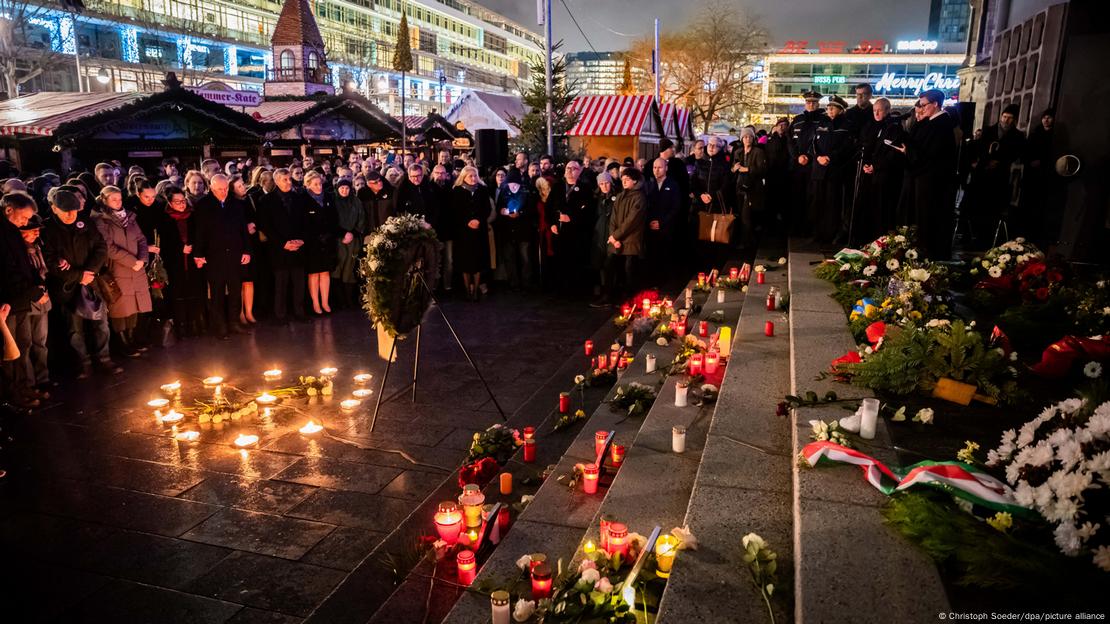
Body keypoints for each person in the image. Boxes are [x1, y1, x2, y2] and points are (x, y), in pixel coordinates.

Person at [40, 190, 120, 378]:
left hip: (91, 281)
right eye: (66, 211)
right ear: (54, 208)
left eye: (74, 211)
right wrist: (77, 276)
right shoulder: (48, 230)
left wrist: (89, 271)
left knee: (101, 323)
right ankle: (82, 362)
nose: (71, 215)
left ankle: (104, 358)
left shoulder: (86, 224)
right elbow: (50, 262)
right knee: (74, 329)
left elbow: (101, 248)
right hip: (68, 287)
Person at [892, 89, 959, 259]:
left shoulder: (942, 123)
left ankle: (927, 253)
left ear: (935, 104)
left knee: (927, 218)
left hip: (932, 181)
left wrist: (909, 151)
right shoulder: (931, 122)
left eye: (924, 105)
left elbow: (931, 154)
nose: (921, 109)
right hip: (922, 178)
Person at [1, 193, 48, 409]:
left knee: (23, 344)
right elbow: (8, 271)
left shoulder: (12, 232)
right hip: (7, 302)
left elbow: (25, 264)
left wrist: (37, 282)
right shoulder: (2, 234)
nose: (26, 223)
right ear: (9, 209)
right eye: (24, 217)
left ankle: (22, 386)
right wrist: (33, 291)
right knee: (9, 350)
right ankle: (11, 394)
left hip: (21, 300)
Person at [93, 185, 151, 358]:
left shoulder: (130, 217)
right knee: (120, 306)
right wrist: (132, 261)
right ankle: (122, 342)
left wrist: (142, 259)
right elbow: (108, 247)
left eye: (119, 199)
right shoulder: (102, 221)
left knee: (134, 304)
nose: (118, 202)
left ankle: (132, 338)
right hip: (118, 269)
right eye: (113, 199)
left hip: (137, 269)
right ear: (104, 200)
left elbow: (141, 239)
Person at [192, 174, 251, 339]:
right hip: (214, 256)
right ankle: (220, 326)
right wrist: (199, 254)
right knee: (217, 293)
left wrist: (247, 250)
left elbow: (243, 230)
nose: (223, 192)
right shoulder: (203, 205)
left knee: (235, 291)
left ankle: (234, 323)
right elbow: (199, 233)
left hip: (235, 254)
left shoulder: (237, 204)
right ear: (211, 188)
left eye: (225, 188)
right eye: (219, 189)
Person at [258, 168, 309, 323]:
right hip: (279, 249)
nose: (288, 182)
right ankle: (280, 314)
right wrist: (283, 244)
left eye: (289, 179)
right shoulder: (266, 201)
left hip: (298, 247)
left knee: (299, 283)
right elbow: (266, 226)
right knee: (281, 284)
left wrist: (301, 240)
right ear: (277, 181)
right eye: (285, 180)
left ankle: (299, 312)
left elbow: (306, 221)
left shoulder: (298, 198)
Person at [157, 187, 207, 338]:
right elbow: (164, 243)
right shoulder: (165, 218)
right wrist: (181, 248)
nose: (181, 204)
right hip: (175, 263)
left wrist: (198, 253)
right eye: (177, 201)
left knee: (194, 292)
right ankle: (181, 327)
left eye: (183, 200)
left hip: (192, 262)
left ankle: (194, 325)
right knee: (178, 295)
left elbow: (200, 236)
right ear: (170, 203)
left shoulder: (192, 215)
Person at [974, 103, 1026, 242]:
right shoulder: (989, 131)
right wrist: (986, 160)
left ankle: (990, 237)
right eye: (1004, 117)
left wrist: (1001, 161)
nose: (1005, 120)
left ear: (1014, 120)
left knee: (994, 207)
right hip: (984, 173)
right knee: (981, 205)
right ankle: (978, 235)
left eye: (1009, 118)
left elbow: (1016, 152)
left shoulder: (1018, 135)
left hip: (1001, 175)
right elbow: (979, 149)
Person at [810, 95, 856, 244]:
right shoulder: (821, 124)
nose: (829, 109)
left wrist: (829, 157)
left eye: (833, 107)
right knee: (818, 203)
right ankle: (818, 234)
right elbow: (813, 144)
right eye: (828, 107)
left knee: (832, 205)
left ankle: (831, 234)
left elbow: (846, 148)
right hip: (819, 171)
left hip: (834, 171)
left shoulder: (847, 125)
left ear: (841, 110)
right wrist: (818, 157)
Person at [859, 97, 906, 240]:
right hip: (871, 175)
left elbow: (892, 153)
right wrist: (866, 165)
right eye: (874, 110)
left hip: (887, 176)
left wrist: (875, 166)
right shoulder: (872, 127)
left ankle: (882, 239)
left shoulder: (894, 127)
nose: (876, 113)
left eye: (879, 110)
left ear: (887, 111)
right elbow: (867, 148)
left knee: (883, 209)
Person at [17, 214, 51, 394]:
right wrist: (36, 292)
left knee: (41, 341)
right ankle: (28, 382)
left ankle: (43, 377)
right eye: (33, 230)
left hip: (43, 298)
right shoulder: (17, 252)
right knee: (25, 343)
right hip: (27, 301)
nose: (37, 233)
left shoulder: (38, 247)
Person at [549, 160, 594, 293]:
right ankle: (560, 288)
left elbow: (589, 211)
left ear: (579, 171)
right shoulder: (557, 187)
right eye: (568, 168)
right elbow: (549, 207)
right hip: (559, 230)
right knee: (559, 261)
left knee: (575, 261)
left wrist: (572, 218)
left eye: (573, 168)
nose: (569, 171)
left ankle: (575, 289)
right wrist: (552, 223)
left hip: (576, 232)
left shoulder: (585, 188)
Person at [788, 91, 828, 236]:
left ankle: (811, 228)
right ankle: (796, 226)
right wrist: (797, 156)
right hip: (798, 165)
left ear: (818, 104)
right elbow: (790, 141)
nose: (811, 105)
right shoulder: (797, 120)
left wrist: (809, 156)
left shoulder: (823, 120)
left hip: (813, 166)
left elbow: (821, 142)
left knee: (813, 198)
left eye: (814, 102)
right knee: (797, 197)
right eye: (808, 102)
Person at [451, 166, 493, 301]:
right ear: (464, 177)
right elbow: (455, 210)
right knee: (465, 262)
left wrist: (478, 220)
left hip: (479, 231)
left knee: (478, 261)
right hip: (463, 232)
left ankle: (475, 289)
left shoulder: (483, 190)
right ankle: (466, 290)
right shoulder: (457, 191)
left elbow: (487, 208)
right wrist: (467, 221)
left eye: (475, 176)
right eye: (470, 176)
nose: (473, 178)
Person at [605, 168, 646, 302]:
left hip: (631, 240)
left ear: (635, 180)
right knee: (612, 267)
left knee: (629, 271)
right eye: (622, 179)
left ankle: (629, 299)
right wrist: (613, 236)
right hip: (617, 240)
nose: (624, 182)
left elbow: (631, 220)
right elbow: (613, 218)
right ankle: (611, 296)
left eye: (627, 179)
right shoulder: (621, 195)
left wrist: (615, 236)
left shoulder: (639, 197)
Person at [302, 171, 339, 315]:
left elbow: (334, 218)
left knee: (325, 273)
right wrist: (314, 237)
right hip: (312, 243)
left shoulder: (329, 198)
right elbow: (303, 223)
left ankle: (325, 302)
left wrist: (329, 234)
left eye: (320, 184)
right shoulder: (303, 200)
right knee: (314, 274)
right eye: (315, 184)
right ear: (308, 185)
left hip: (327, 241)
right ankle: (315, 303)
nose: (319, 187)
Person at [495, 168, 534, 290]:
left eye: (514, 184)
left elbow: (531, 209)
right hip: (508, 230)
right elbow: (499, 207)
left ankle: (526, 281)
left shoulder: (526, 191)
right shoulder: (504, 191)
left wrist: (520, 213)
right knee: (509, 257)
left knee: (525, 257)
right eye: (510, 184)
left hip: (523, 230)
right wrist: (503, 211)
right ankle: (513, 281)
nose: (512, 186)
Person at [644, 157, 683, 280]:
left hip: (666, 227)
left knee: (665, 255)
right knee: (651, 255)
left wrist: (662, 222)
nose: (656, 170)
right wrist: (650, 221)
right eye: (654, 168)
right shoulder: (648, 184)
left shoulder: (673, 184)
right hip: (650, 226)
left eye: (659, 167)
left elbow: (676, 207)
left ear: (666, 168)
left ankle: (666, 281)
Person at [731, 127, 768, 249]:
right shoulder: (738, 152)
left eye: (750, 137)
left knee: (746, 216)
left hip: (752, 188)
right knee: (741, 214)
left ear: (753, 138)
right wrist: (734, 169)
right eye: (745, 137)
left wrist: (747, 169)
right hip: (739, 186)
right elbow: (733, 168)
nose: (747, 139)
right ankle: (747, 240)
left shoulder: (758, 152)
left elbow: (763, 170)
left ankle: (746, 242)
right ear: (742, 139)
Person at [332, 178, 365, 308]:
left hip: (353, 240)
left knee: (350, 268)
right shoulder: (333, 201)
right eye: (342, 188)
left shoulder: (356, 201)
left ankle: (349, 300)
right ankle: (338, 300)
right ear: (337, 189)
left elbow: (361, 218)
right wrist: (342, 233)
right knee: (338, 267)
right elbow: (331, 220)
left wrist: (354, 233)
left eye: (347, 188)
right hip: (338, 240)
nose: (344, 191)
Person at [230, 174, 259, 325]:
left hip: (250, 244)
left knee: (249, 281)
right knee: (240, 282)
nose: (244, 188)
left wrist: (254, 224)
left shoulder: (248, 200)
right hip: (238, 246)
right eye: (239, 186)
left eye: (243, 184)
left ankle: (249, 311)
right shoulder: (231, 204)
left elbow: (255, 217)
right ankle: (240, 313)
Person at [589, 172, 619, 304]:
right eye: (601, 184)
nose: (604, 186)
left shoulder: (616, 197)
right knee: (599, 264)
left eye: (606, 183)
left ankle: (609, 293)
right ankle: (602, 292)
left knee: (610, 265)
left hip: (611, 234)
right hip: (599, 234)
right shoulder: (597, 198)